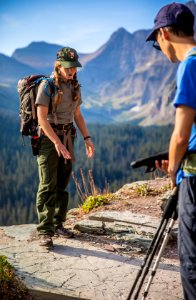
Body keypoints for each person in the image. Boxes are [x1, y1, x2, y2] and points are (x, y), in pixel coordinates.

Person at [146, 3, 196, 299]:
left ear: (164, 33)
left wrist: (173, 171)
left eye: (156, 44)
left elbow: (180, 135)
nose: (160, 49)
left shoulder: (190, 64)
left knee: (194, 266)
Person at [35, 47, 95, 248]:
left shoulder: (75, 86)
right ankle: (45, 230)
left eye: (74, 68)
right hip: (49, 140)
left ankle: (59, 223)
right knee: (47, 184)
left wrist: (87, 138)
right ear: (59, 65)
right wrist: (56, 143)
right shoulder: (47, 86)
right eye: (68, 68)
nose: (72, 71)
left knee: (62, 181)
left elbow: (77, 115)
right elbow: (42, 119)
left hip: (68, 137)